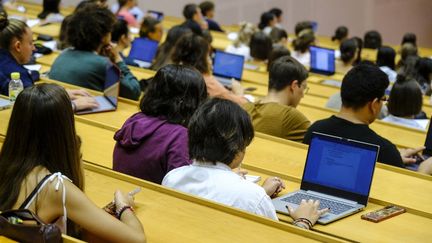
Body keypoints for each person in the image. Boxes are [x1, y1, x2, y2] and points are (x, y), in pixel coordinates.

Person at [0, 84, 146, 242]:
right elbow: (137, 239)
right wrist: (123, 205)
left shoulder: (8, 164)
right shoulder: (55, 187)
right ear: (64, 127)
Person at [163, 98, 329, 227]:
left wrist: (257, 191)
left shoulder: (172, 178)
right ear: (236, 146)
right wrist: (303, 221)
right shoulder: (253, 197)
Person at [304, 64, 432, 174]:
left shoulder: (314, 131)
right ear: (374, 104)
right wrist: (423, 170)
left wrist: (396, 156)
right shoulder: (384, 150)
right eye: (383, 100)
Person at [113, 65, 208, 184]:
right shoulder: (180, 136)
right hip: (150, 199)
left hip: (119, 192)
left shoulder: (134, 119)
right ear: (193, 102)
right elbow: (182, 187)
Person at [0, 11, 98, 112]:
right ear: (18, 46)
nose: (34, 48)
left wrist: (58, 94)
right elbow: (34, 110)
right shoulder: (17, 77)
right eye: (30, 43)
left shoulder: (6, 64)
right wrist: (72, 105)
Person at [49, 7, 141, 100]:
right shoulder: (103, 63)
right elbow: (134, 91)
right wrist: (118, 59)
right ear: (103, 37)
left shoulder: (64, 54)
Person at [244, 56, 310, 142]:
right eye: (304, 87)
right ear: (294, 85)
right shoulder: (291, 117)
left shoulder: (245, 108)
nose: (302, 95)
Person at [171, 33, 247, 105]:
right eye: (208, 56)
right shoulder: (207, 82)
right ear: (200, 59)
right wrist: (239, 92)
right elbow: (243, 104)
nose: (210, 61)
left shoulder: (173, 72)